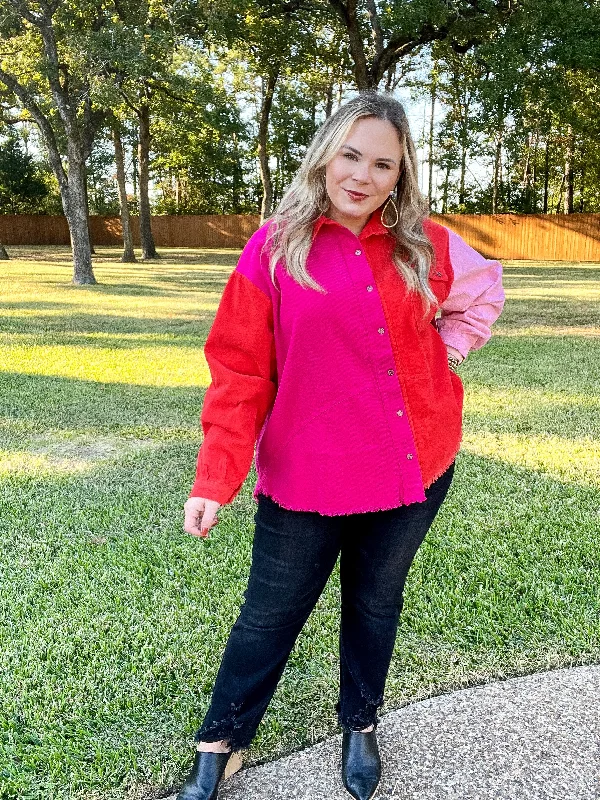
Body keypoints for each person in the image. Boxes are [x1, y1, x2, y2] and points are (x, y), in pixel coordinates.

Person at [177, 92, 505, 800]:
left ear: (400, 175)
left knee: (375, 604)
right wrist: (214, 478)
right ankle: (221, 742)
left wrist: (445, 350)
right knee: (269, 614)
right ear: (326, 154)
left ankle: (360, 723)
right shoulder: (274, 246)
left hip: (413, 463)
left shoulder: (426, 243)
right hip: (307, 472)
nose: (363, 175)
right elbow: (239, 370)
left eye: (383, 164)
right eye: (351, 155)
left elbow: (485, 290)